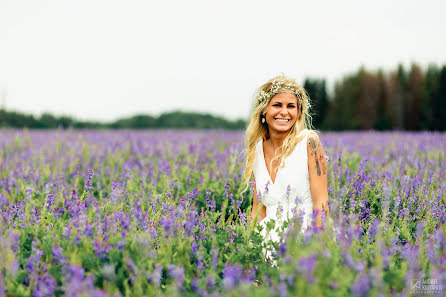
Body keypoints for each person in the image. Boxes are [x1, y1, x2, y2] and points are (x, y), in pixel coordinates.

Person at [242, 75, 329, 266]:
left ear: (298, 112)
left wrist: (318, 247)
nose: (284, 112)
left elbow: (321, 203)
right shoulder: (256, 149)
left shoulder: (309, 142)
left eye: (291, 106)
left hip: (304, 237)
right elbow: (259, 209)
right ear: (264, 110)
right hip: (266, 242)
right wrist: (249, 248)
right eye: (277, 105)